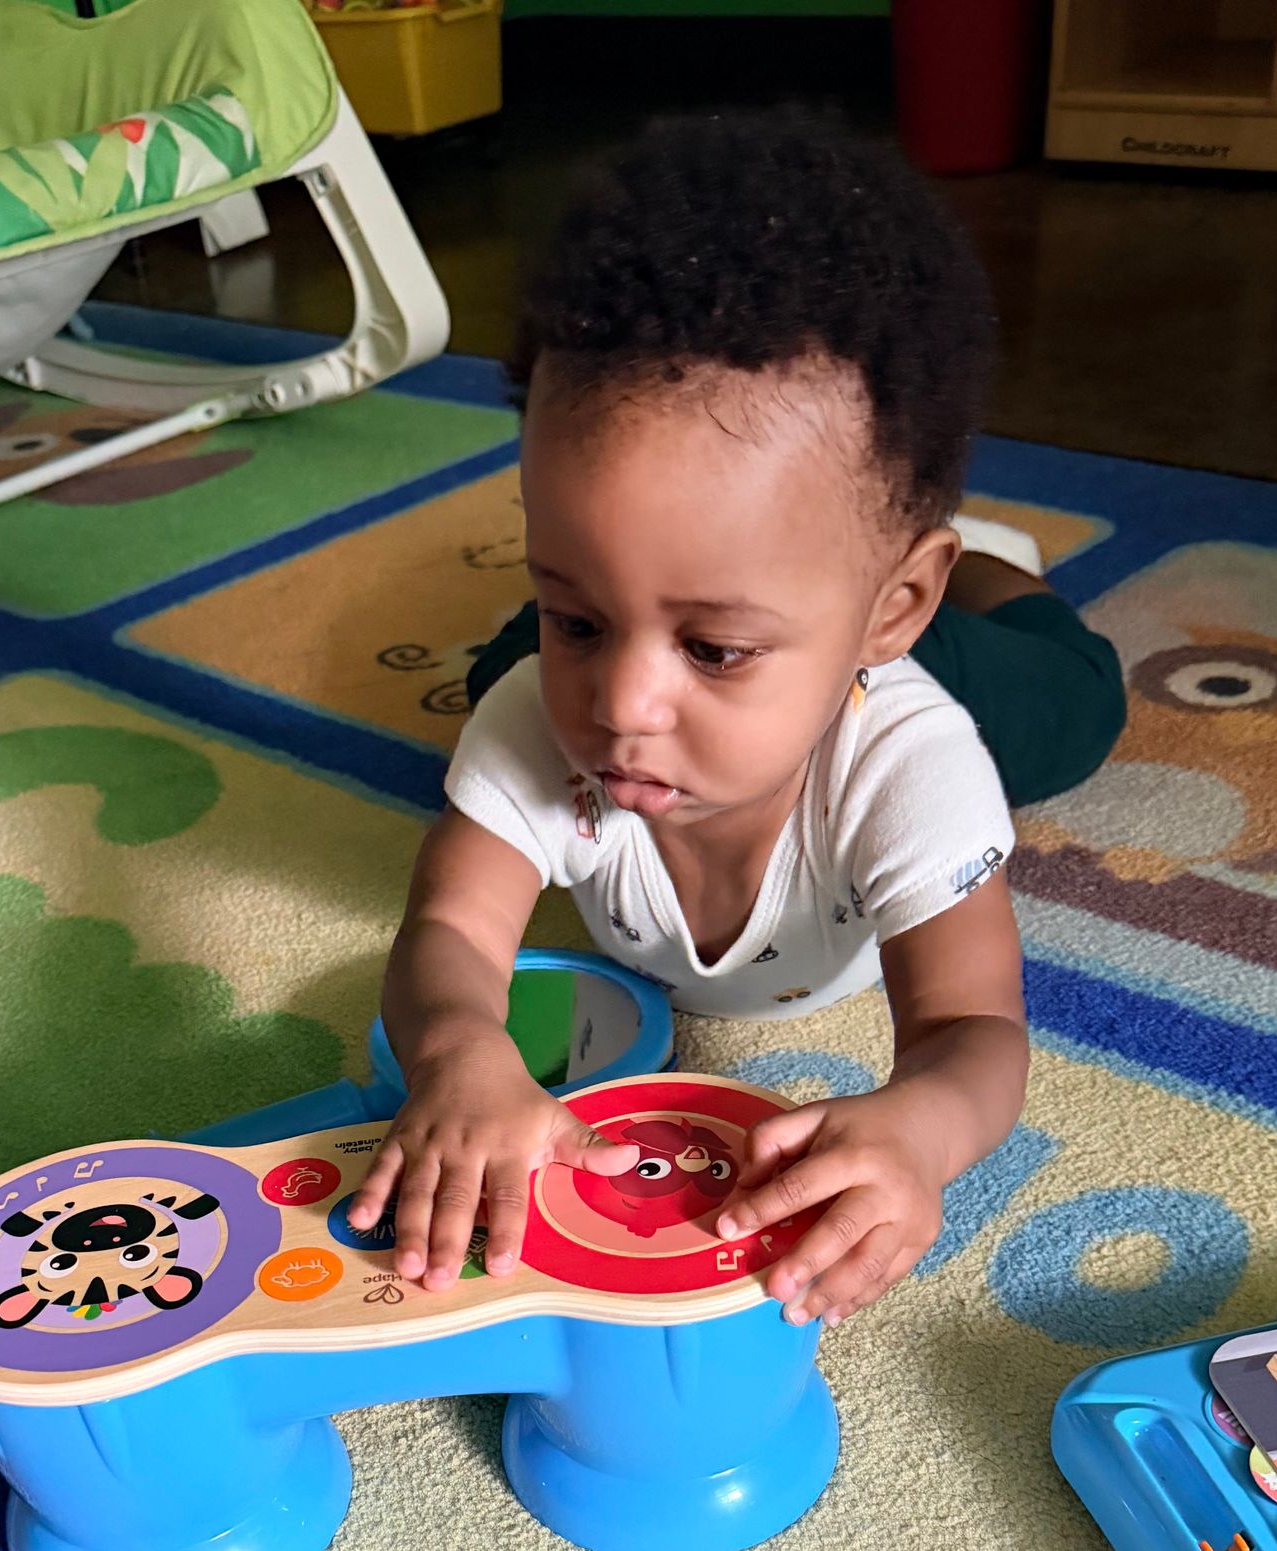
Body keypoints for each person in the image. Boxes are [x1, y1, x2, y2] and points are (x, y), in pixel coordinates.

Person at [350, 109, 1124, 1327]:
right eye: (579, 616)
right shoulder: (538, 719)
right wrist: (457, 1048)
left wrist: (916, 1132)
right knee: (514, 672)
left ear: (892, 601)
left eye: (713, 648)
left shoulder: (915, 772)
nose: (622, 711)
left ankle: (992, 577)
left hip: (934, 675)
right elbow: (447, 926)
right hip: (767, 628)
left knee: (1077, 707)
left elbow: (973, 1028)